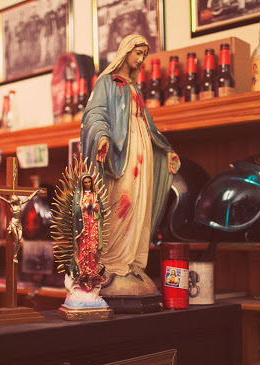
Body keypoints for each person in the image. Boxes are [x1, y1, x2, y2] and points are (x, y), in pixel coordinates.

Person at [81, 34, 180, 290]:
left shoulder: (135, 88)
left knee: (139, 203)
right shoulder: (107, 82)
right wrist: (102, 136)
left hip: (142, 149)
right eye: (137, 53)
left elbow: (150, 125)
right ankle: (112, 262)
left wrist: (166, 150)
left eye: (144, 55)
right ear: (125, 52)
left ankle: (133, 263)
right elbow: (94, 114)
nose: (140, 59)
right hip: (122, 152)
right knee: (121, 200)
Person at [0, 186, 40, 263]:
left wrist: (35, 192)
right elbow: (0, 197)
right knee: (13, 239)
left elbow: (28, 198)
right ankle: (13, 256)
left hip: (19, 223)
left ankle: (15, 255)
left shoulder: (20, 204)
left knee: (18, 240)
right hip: (13, 223)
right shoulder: (11, 204)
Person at [72, 174, 104, 291]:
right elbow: (75, 211)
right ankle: (82, 272)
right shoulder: (78, 196)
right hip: (83, 227)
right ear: (82, 184)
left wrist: (96, 207)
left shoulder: (95, 195)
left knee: (93, 248)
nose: (87, 184)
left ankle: (92, 271)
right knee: (83, 247)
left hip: (93, 225)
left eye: (89, 182)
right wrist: (83, 207)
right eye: (85, 182)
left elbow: (102, 210)